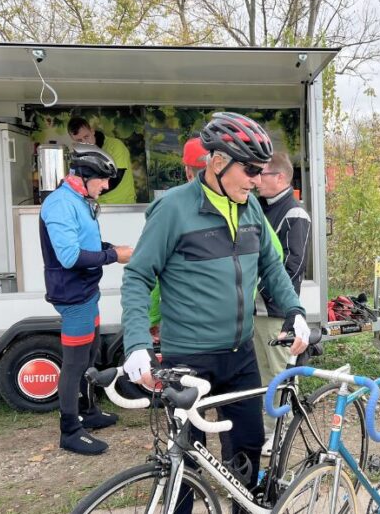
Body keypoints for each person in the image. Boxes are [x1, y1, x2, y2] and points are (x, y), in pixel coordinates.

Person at [121, 113, 310, 510]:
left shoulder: (250, 208)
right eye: (251, 170)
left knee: (247, 447)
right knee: (183, 459)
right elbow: (138, 276)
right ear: (219, 162)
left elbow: (271, 266)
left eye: (261, 172)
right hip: (188, 358)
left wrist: (294, 310)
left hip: (240, 354)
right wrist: (137, 342)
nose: (258, 180)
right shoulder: (173, 209)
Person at [39, 143, 133, 455]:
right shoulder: (60, 204)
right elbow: (69, 256)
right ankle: (70, 430)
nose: (107, 186)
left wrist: (109, 246)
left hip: (86, 292)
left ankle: (88, 412)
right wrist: (113, 255)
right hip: (73, 294)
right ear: (85, 176)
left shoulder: (80, 200)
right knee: (75, 362)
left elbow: (85, 241)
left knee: (91, 352)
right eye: (103, 180)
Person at [253, 151, 312, 455]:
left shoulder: (295, 213)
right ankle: (268, 432)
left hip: (278, 313)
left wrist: (256, 289)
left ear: (279, 178)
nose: (255, 180)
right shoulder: (260, 207)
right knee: (263, 376)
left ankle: (282, 434)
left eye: (261, 174)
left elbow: (292, 266)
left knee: (280, 376)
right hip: (257, 312)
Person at [147, 137, 210, 340]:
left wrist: (152, 317)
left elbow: (151, 272)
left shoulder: (169, 207)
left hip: (181, 328)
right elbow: (274, 253)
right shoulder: (240, 204)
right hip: (227, 329)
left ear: (187, 171)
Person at [67, 116, 137, 204]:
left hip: (121, 203)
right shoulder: (79, 153)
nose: (84, 142)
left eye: (86, 136)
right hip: (96, 204)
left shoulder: (115, 146)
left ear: (92, 131)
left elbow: (116, 178)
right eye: (79, 140)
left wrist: (87, 194)